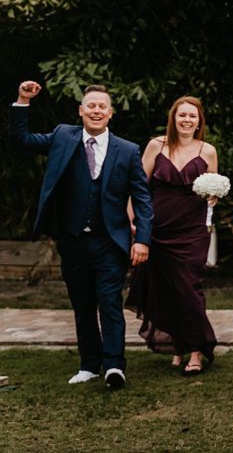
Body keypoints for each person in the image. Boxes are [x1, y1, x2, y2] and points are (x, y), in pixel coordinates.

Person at [9, 81, 153, 388]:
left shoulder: (128, 151)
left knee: (110, 302)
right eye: (91, 105)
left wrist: (142, 239)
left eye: (102, 106)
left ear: (111, 113)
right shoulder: (63, 136)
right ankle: (89, 364)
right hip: (72, 240)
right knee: (83, 303)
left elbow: (142, 198)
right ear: (81, 110)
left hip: (110, 242)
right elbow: (20, 139)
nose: (97, 110)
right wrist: (23, 100)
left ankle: (115, 365)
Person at [125, 96, 219, 375]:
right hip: (158, 227)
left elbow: (213, 189)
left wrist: (214, 195)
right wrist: (132, 217)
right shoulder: (157, 145)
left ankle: (196, 351)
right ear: (173, 118)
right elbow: (139, 185)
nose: (187, 120)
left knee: (188, 287)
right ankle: (179, 346)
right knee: (167, 290)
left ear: (199, 121)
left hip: (192, 230)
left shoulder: (208, 151)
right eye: (182, 115)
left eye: (192, 116)